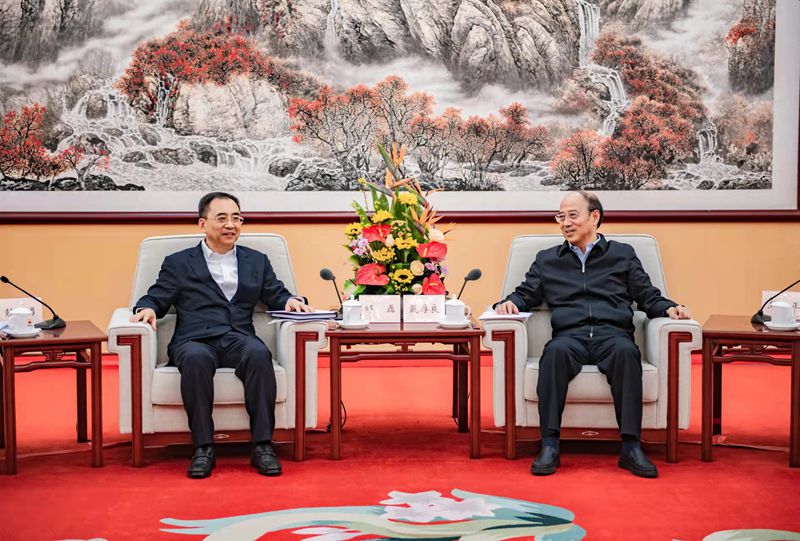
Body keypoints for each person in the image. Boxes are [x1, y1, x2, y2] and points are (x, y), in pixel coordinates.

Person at [495, 191, 691, 478]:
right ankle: (549, 445)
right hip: (569, 336)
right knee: (554, 354)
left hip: (612, 335)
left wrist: (669, 308)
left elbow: (647, 295)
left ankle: (631, 447)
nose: (565, 223)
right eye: (560, 217)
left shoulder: (622, 254)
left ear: (594, 216)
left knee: (627, 353)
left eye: (572, 216)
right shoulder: (548, 259)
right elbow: (526, 293)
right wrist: (508, 303)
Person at [131, 192, 313, 479]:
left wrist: (291, 300)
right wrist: (147, 309)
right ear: (202, 224)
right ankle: (203, 447)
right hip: (194, 339)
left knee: (258, 354)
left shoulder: (256, 260)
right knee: (196, 359)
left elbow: (276, 294)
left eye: (237, 218)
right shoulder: (179, 263)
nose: (231, 225)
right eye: (222, 218)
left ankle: (263, 445)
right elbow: (157, 296)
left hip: (238, 336)